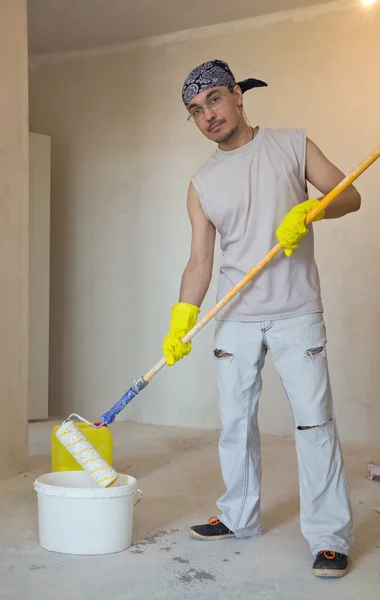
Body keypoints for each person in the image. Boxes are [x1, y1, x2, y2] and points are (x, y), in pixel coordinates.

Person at [162, 59, 361, 578]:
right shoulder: (201, 182)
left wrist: (312, 210)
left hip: (297, 313)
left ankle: (329, 537)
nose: (207, 115)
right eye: (195, 110)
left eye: (214, 100)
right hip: (236, 316)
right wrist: (183, 317)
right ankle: (238, 515)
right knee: (234, 423)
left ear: (238, 96)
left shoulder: (292, 144)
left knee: (315, 426)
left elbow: (350, 195)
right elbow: (200, 261)